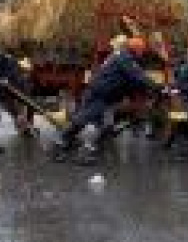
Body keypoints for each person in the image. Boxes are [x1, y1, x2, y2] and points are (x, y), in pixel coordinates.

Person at [52, 36, 164, 164]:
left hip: (103, 95)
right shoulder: (124, 58)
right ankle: (64, 146)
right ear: (136, 50)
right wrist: (158, 87)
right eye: (141, 50)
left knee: (96, 123)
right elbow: (137, 76)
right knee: (85, 120)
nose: (142, 53)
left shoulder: (122, 57)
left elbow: (132, 80)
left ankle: (78, 149)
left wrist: (148, 91)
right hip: (100, 95)